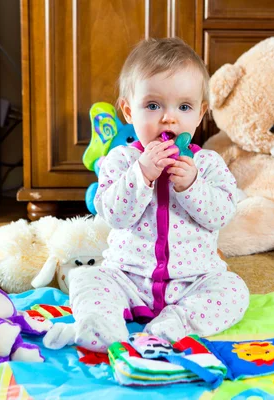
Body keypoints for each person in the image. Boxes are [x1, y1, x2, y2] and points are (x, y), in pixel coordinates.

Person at [44, 37, 249, 352]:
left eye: (184, 106)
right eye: (153, 106)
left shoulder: (207, 164)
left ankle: (172, 325)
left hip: (193, 280)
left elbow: (221, 214)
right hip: (127, 278)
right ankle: (102, 327)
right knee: (85, 279)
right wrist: (141, 175)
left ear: (200, 113)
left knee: (235, 290)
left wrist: (193, 186)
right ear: (128, 111)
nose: (169, 118)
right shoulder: (121, 161)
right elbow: (113, 215)